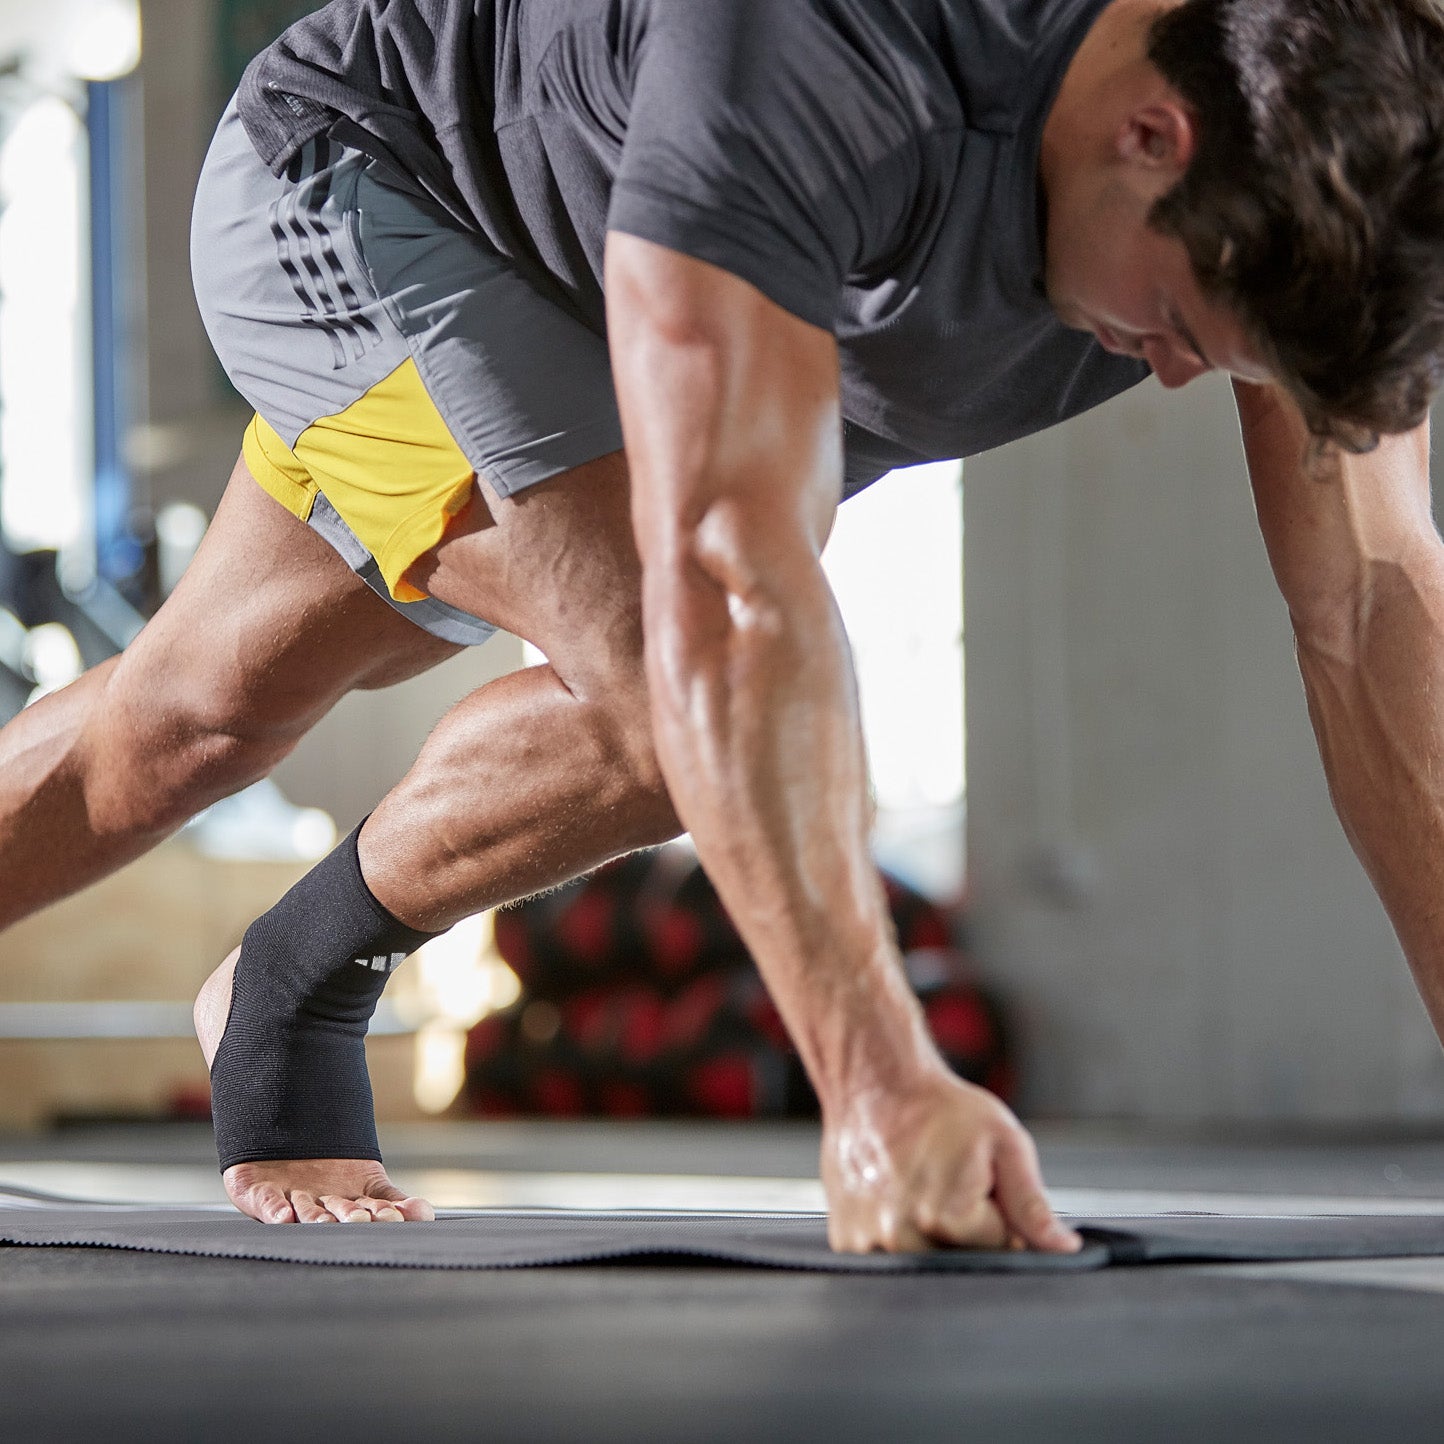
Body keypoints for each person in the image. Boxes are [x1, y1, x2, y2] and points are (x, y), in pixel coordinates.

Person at [5, 0, 1444, 1251]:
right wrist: (878, 1083)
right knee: (669, 692)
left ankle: (278, 976)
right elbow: (728, 584)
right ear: (1153, 135)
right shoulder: (836, 51)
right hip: (386, 194)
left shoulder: (1319, 139)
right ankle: (300, 983)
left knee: (187, 721)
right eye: (1184, 321)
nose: (1182, 375)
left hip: (622, 328)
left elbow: (1375, 609)